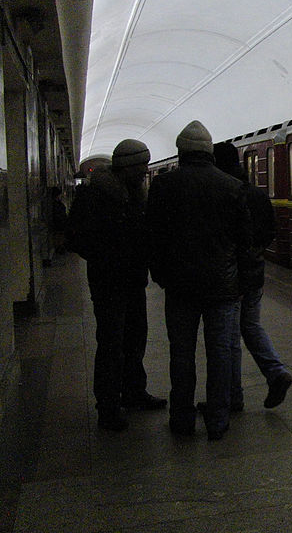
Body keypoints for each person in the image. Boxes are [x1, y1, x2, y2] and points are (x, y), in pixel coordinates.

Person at [146, 121, 251, 441]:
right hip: (222, 288)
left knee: (181, 354)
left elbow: (153, 238)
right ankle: (218, 420)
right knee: (220, 354)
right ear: (209, 153)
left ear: (180, 152)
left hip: (180, 288)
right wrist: (240, 282)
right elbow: (244, 241)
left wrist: (162, 276)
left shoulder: (164, 186)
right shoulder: (232, 186)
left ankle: (182, 418)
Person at [65, 139, 166, 432]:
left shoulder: (135, 194)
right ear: (128, 167)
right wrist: (106, 253)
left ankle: (134, 392)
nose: (145, 172)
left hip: (133, 279)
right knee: (111, 344)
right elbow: (75, 237)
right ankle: (107, 406)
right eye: (142, 166)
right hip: (108, 281)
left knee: (135, 338)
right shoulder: (94, 195)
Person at [210, 142, 292, 412]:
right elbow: (271, 231)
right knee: (252, 326)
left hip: (231, 275)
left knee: (231, 336)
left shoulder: (223, 195)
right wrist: (255, 254)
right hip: (255, 274)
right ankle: (276, 372)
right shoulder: (257, 194)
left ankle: (233, 396)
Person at [50, 186, 68, 254]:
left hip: (60, 221)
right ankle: (59, 247)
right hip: (59, 222)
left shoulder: (56, 203)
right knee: (59, 235)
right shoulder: (55, 204)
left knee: (59, 235)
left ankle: (60, 246)